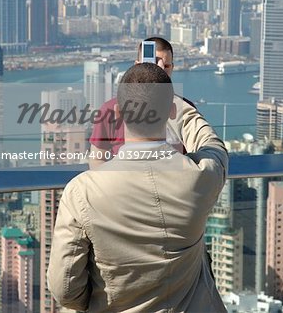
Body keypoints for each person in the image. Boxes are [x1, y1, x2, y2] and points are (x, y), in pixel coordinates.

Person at [47, 63, 228, 312]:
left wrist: (100, 301)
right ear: (171, 112)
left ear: (118, 113)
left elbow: (64, 289)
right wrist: (182, 111)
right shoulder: (201, 176)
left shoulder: (82, 192)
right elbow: (212, 145)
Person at [89, 37, 218, 164]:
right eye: (153, 65)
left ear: (172, 68)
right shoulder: (109, 109)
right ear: (137, 65)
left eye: (166, 66)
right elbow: (97, 157)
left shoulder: (184, 108)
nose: (159, 71)